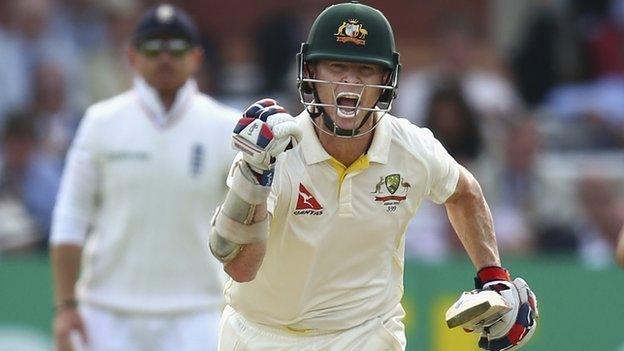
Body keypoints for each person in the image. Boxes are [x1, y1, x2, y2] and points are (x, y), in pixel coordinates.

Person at [209, 2, 539, 350]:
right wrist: (255, 177)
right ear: (310, 73)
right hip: (264, 333)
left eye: (365, 70)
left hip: (366, 332)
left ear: (386, 78)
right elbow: (241, 269)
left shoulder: (410, 148)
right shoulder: (274, 151)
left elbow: (464, 192)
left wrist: (494, 278)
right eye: (336, 67)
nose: (350, 82)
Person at [50, 4, 238, 351]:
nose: (164, 58)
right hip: (107, 314)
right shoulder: (100, 122)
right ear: (132, 57)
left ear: (196, 57)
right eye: (152, 48)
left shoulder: (227, 126)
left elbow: (250, 224)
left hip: (198, 314)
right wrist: (66, 306)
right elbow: (70, 218)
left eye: (177, 48)